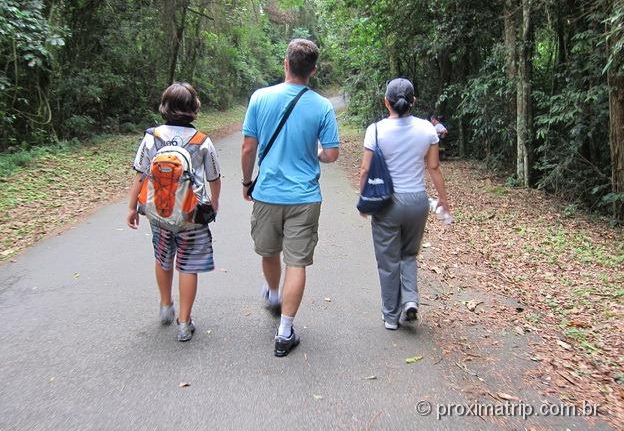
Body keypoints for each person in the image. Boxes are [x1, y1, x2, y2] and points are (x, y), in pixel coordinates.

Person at [241, 39, 340, 357]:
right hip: (305, 196)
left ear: (285, 63)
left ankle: (272, 293)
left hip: (267, 193)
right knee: (296, 262)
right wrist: (317, 155)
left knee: (269, 252)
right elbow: (332, 154)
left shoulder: (260, 98)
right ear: (312, 70)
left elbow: (248, 147)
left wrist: (247, 182)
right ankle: (285, 332)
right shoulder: (322, 106)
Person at [126, 82, 221, 342]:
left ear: (165, 107)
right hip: (191, 214)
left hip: (159, 212)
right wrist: (214, 204)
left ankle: (166, 305)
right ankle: (184, 322)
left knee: (162, 257)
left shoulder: (152, 136)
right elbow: (214, 177)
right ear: (194, 108)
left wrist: (132, 207)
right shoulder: (202, 141)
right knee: (188, 266)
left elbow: (140, 174)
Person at [360, 78, 451, 330]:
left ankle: (391, 316)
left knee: (388, 261)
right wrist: (442, 199)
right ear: (413, 101)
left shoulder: (375, 130)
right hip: (418, 202)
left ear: (386, 102)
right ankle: (410, 300)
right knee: (408, 254)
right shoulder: (427, 129)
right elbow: (433, 167)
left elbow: (365, 169)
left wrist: (364, 201)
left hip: (387, 203)